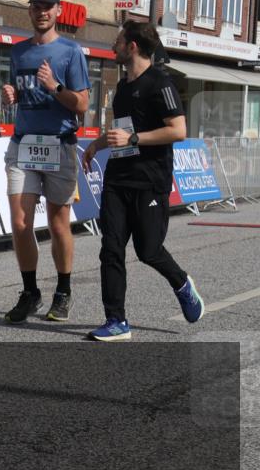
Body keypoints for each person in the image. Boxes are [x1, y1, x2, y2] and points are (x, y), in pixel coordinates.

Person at [81, 21, 203, 341]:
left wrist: (133, 138)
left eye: (118, 40)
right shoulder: (122, 87)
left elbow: (178, 130)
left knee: (148, 250)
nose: (114, 46)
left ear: (132, 46)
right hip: (118, 179)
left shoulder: (160, 83)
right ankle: (116, 321)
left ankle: (181, 282)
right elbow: (121, 132)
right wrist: (97, 145)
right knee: (111, 248)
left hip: (150, 181)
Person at [0, 0, 90, 324]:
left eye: (47, 7)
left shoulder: (70, 51)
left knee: (57, 223)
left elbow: (82, 105)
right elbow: (19, 94)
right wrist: (11, 95)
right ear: (30, 11)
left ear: (58, 11)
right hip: (23, 143)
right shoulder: (19, 53)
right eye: (36, 6)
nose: (41, 12)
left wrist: (55, 86)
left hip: (59, 144)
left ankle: (63, 291)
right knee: (20, 223)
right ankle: (30, 292)